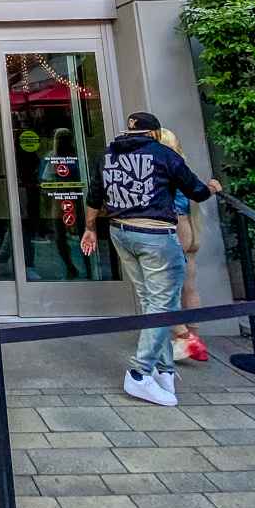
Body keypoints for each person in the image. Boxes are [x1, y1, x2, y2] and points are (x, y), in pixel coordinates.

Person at [81, 111, 221, 406]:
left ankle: (164, 370)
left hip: (120, 232)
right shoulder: (163, 154)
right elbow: (195, 190)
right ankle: (140, 374)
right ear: (155, 133)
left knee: (152, 301)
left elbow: (94, 195)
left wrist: (90, 228)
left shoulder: (107, 155)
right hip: (156, 233)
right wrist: (211, 188)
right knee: (162, 302)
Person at [159, 127, 209, 363]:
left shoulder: (163, 169)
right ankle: (196, 338)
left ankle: (183, 338)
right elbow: (200, 191)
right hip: (190, 226)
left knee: (164, 287)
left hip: (174, 226)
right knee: (189, 286)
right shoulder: (183, 167)